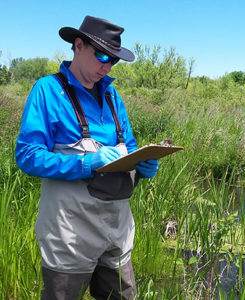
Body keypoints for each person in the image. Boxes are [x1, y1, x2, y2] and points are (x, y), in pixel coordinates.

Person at [15, 16, 159, 300]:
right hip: (69, 235)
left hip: (117, 234)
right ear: (77, 45)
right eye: (102, 54)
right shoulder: (47, 90)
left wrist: (143, 165)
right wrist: (84, 163)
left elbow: (128, 147)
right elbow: (27, 156)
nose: (106, 65)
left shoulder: (113, 97)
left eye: (114, 60)